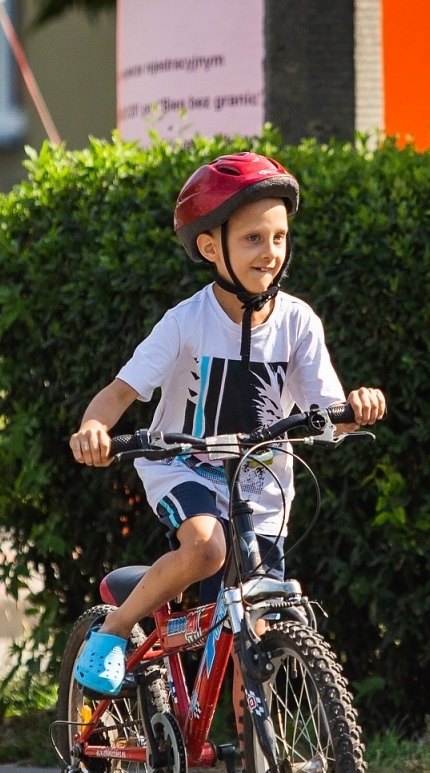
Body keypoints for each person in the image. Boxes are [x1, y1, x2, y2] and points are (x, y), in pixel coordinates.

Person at [67, 152, 386, 698]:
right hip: (183, 468)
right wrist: (94, 427)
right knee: (206, 551)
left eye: (279, 237)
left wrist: (355, 409)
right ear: (211, 247)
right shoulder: (186, 322)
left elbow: (327, 413)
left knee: (256, 648)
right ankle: (116, 630)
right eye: (254, 238)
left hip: (260, 490)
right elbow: (121, 392)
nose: (271, 253)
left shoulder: (298, 322)